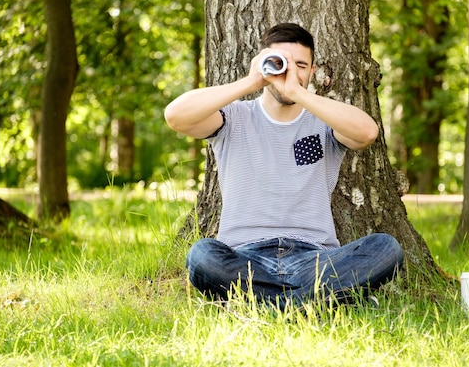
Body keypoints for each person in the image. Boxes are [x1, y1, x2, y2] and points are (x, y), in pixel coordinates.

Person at [164, 23, 404, 309]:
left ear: (312, 71)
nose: (290, 71)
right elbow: (175, 116)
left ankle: (261, 304)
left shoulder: (325, 121)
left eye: (300, 65)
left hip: (315, 259)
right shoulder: (234, 117)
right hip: (244, 258)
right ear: (263, 63)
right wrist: (252, 82)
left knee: (386, 248)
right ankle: (318, 303)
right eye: (280, 62)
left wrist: (298, 91)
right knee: (202, 256)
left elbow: (367, 133)